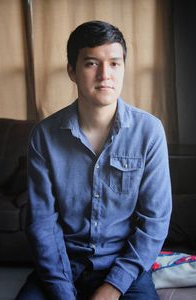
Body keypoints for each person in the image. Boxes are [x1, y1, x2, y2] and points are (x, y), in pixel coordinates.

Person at [15, 20, 172, 300]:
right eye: (91, 63)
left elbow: (155, 221)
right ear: (72, 71)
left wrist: (113, 287)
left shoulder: (149, 131)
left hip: (123, 267)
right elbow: (42, 223)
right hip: (62, 267)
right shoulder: (44, 136)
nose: (105, 75)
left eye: (114, 63)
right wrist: (63, 292)